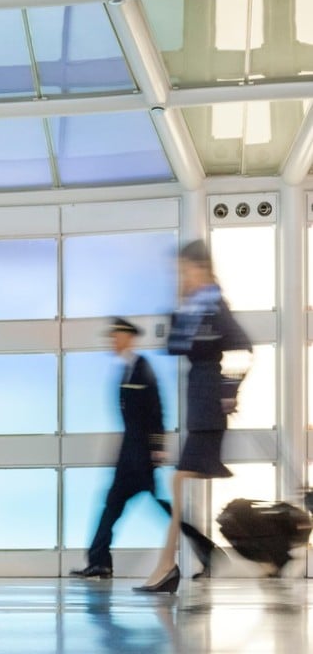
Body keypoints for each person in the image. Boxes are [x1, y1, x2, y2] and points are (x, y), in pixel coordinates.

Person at [135, 240, 252, 593]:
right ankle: (199, 557)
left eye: (185, 270)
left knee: (177, 480)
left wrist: (230, 391)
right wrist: (180, 314)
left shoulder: (215, 306)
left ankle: (169, 566)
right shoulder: (194, 310)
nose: (181, 277)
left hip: (209, 407)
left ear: (200, 269)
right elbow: (174, 347)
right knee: (179, 481)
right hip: (199, 404)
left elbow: (243, 347)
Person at [69, 318, 218, 580]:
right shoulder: (126, 369)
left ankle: (207, 550)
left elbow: (157, 410)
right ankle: (99, 561)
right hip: (129, 453)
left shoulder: (142, 368)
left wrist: (157, 449)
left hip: (141, 456)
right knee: (113, 504)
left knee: (157, 507)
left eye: (116, 336)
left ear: (128, 337)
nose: (113, 342)